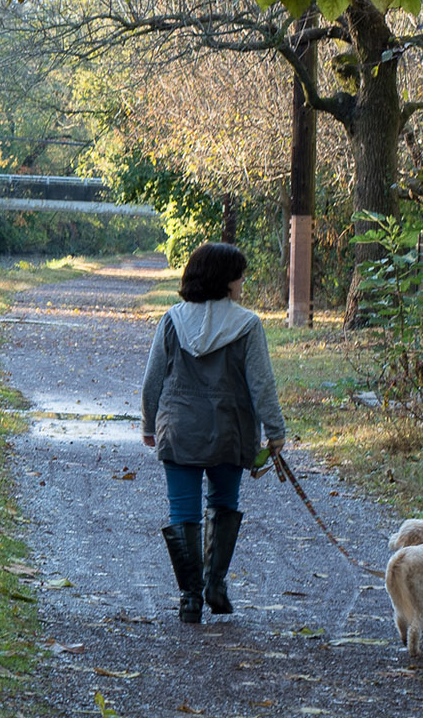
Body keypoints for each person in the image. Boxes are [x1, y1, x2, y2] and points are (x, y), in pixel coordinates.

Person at [140, 242, 287, 623]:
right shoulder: (248, 324)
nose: (242, 282)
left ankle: (190, 598)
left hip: (180, 427)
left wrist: (147, 423)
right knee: (223, 503)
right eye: (239, 275)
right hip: (229, 428)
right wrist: (275, 431)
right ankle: (215, 584)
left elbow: (152, 378)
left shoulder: (172, 320)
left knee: (182, 509)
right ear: (225, 280)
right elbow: (262, 384)